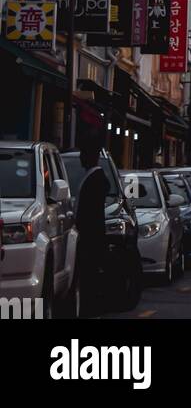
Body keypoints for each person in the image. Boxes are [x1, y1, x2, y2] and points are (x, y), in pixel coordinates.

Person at [75, 135, 109, 316]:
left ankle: (91, 308)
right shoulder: (92, 177)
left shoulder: (95, 179)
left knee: (89, 276)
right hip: (89, 236)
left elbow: (91, 214)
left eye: (83, 154)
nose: (80, 157)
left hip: (90, 238)